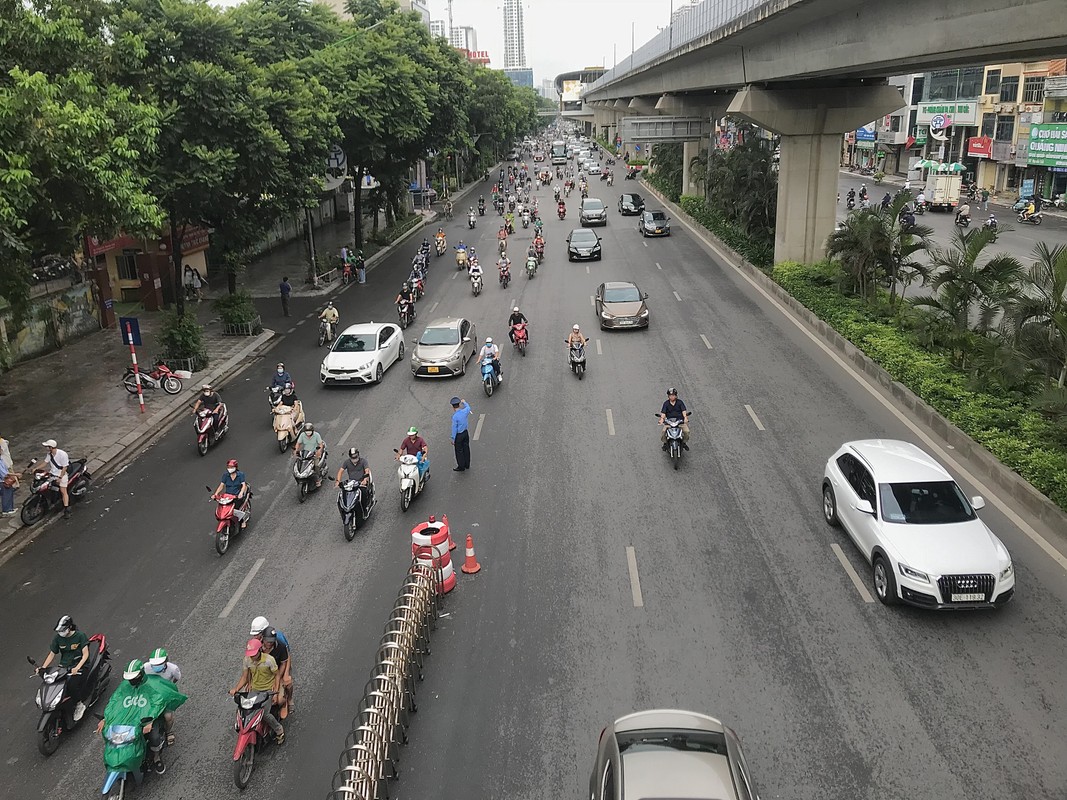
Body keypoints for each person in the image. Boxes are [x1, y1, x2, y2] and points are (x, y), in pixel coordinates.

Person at [98, 659, 186, 775]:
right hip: (129, 721)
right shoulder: (124, 686)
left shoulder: (152, 685)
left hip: (147, 720)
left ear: (141, 674)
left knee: (154, 737)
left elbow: (157, 703)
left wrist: (150, 720)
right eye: (129, 679)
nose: (131, 681)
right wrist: (106, 718)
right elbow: (115, 703)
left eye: (133, 678)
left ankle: (156, 757)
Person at [229, 639, 284, 744]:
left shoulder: (269, 660)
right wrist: (236, 689)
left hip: (267, 690)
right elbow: (245, 677)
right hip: (254, 690)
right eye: (250, 654)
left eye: (254, 654)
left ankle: (279, 730)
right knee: (243, 710)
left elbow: (277, 675)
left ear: (260, 650)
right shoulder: (247, 660)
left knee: (264, 714)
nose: (252, 657)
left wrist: (275, 692)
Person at [37, 615, 91, 719]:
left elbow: (85, 655)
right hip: (64, 667)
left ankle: (79, 704)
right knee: (53, 682)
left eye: (63, 630)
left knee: (71, 684)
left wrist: (77, 667)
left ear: (70, 628)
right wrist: (43, 667)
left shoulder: (80, 636)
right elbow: (52, 654)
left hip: (79, 666)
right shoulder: (58, 638)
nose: (60, 632)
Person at [249, 617, 294, 718]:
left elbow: (287, 657)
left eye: (257, 634)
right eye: (254, 634)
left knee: (285, 686)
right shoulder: (256, 644)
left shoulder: (278, 640)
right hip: (265, 671)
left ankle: (288, 700)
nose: (255, 637)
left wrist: (285, 674)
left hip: (279, 669)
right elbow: (251, 662)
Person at [146, 648, 181, 744]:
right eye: (154, 665)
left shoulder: (173, 669)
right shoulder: (146, 667)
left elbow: (176, 679)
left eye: (159, 664)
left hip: (165, 695)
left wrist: (168, 689)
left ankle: (168, 732)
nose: (156, 666)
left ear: (166, 662)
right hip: (150, 695)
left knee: (168, 717)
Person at [212, 459, 250, 529]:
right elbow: (221, 485)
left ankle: (243, 520)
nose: (230, 469)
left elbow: (243, 485)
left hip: (237, 495)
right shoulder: (225, 475)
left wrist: (241, 493)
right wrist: (216, 494)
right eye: (228, 467)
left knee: (237, 509)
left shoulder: (240, 475)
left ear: (235, 467)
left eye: (231, 467)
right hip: (228, 496)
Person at [42, 439, 71, 518]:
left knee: (63, 491)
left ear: (51, 447)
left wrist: (60, 477)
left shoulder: (62, 454)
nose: (46, 448)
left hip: (62, 474)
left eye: (47, 447)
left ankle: (66, 509)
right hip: (52, 474)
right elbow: (45, 462)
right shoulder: (49, 454)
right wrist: (36, 468)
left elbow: (65, 467)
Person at [294, 423, 326, 488]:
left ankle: (317, 479)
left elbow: (320, 444)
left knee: (316, 465)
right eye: (306, 431)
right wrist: (295, 450)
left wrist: (319, 451)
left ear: (312, 431)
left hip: (314, 453)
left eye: (309, 431)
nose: (308, 433)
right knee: (299, 463)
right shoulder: (302, 435)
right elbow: (298, 443)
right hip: (306, 453)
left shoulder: (316, 435)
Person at [450, 397, 472, 472]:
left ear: (453, 407)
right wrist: (464, 402)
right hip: (465, 433)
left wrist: (453, 438)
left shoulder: (455, 417)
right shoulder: (465, 411)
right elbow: (468, 407)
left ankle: (461, 466)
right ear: (459, 405)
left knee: (459, 451)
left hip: (459, 436)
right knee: (466, 448)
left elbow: (454, 428)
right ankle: (467, 464)